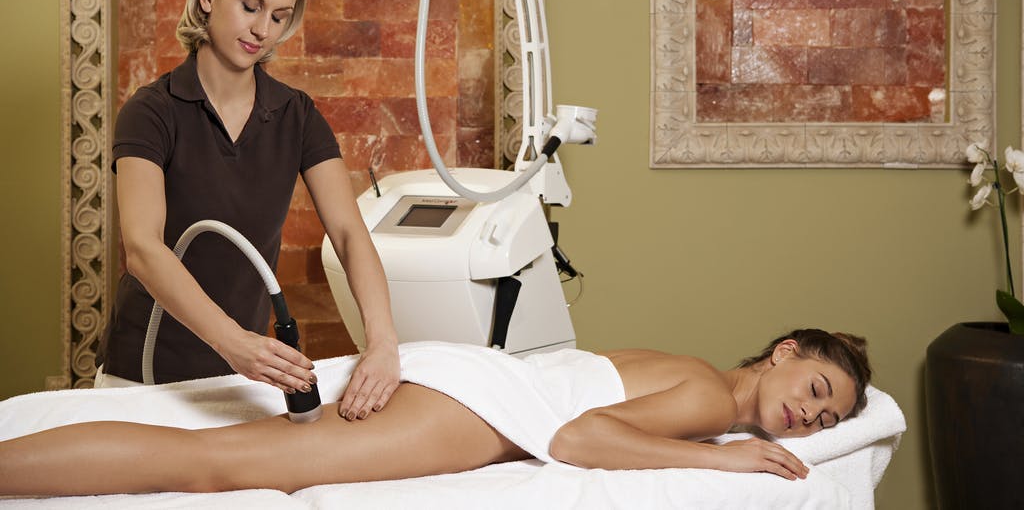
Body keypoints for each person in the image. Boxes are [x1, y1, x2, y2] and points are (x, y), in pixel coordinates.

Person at [95, 0, 400, 421]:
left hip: (241, 380)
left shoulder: (297, 116)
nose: (262, 29)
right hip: (143, 375)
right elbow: (143, 250)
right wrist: (235, 342)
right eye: (250, 6)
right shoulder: (151, 112)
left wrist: (383, 343)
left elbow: (348, 232)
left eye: (278, 17)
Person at [0, 329, 872, 497]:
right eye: (817, 390)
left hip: (469, 380)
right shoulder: (713, 398)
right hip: (474, 406)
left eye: (827, 421)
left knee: (214, 449)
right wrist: (722, 456)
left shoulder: (689, 369)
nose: (812, 417)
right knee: (216, 462)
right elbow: (577, 434)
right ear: (785, 351)